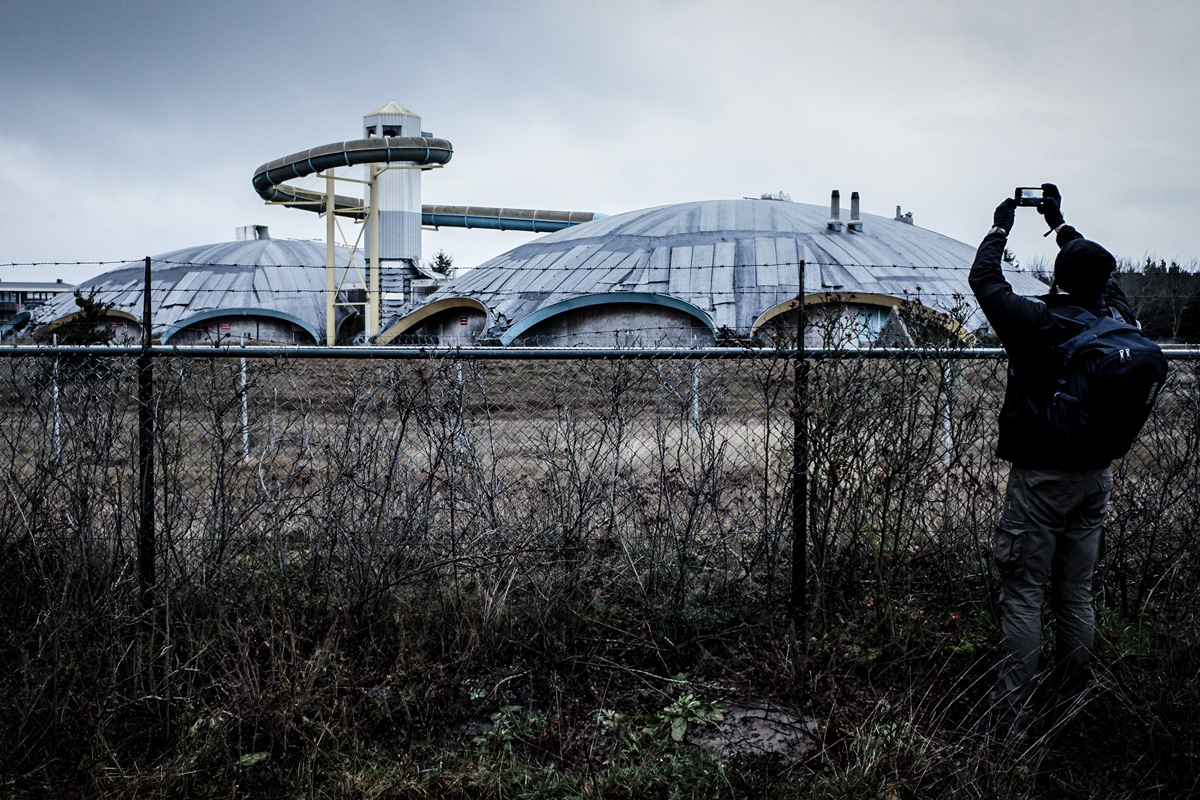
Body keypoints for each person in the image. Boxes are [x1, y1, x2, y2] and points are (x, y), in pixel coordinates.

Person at [967, 183, 1137, 740]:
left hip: (1041, 479)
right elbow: (1100, 275)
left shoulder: (1040, 322)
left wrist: (1001, 227)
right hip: (1096, 478)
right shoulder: (1119, 319)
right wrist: (1062, 226)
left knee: (1022, 594)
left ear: (1058, 279)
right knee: (1075, 593)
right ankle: (1072, 702)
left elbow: (985, 282)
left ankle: (1012, 717)